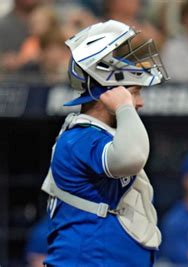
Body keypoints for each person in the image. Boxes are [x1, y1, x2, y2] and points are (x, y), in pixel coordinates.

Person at [40, 20, 169, 266]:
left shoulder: (102, 134)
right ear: (109, 92)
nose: (138, 103)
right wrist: (123, 105)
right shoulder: (79, 137)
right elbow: (132, 156)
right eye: (134, 92)